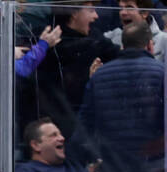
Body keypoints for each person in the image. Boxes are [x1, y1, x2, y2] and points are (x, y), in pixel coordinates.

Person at [73, 22, 166, 172]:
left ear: (122, 46)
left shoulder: (99, 76)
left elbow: (85, 123)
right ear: (150, 45)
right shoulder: (161, 73)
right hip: (154, 166)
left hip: (114, 165)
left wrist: (80, 160)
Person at [28, 0, 118, 140]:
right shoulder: (44, 39)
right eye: (90, 10)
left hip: (85, 124)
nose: (96, 16)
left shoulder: (95, 38)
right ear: (74, 13)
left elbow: (118, 57)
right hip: (49, 125)